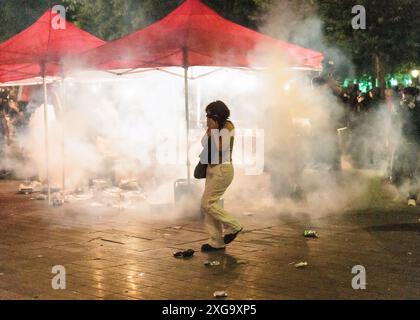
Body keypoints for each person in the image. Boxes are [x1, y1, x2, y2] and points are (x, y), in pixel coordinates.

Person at [200, 101, 242, 252]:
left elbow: (220, 147)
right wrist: (210, 130)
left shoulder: (228, 127)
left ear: (216, 116)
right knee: (211, 205)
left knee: (207, 203)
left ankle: (234, 225)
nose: (206, 118)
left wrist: (213, 129)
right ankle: (216, 241)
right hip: (211, 168)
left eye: (209, 115)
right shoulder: (215, 127)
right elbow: (204, 143)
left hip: (222, 169)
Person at [392, 87, 420, 206]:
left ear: (413, 96)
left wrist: (412, 110)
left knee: (413, 169)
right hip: (401, 141)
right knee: (397, 168)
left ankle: (412, 196)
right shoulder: (400, 107)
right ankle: (400, 191)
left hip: (414, 141)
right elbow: (395, 122)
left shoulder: (418, 108)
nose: (404, 97)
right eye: (403, 95)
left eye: (406, 95)